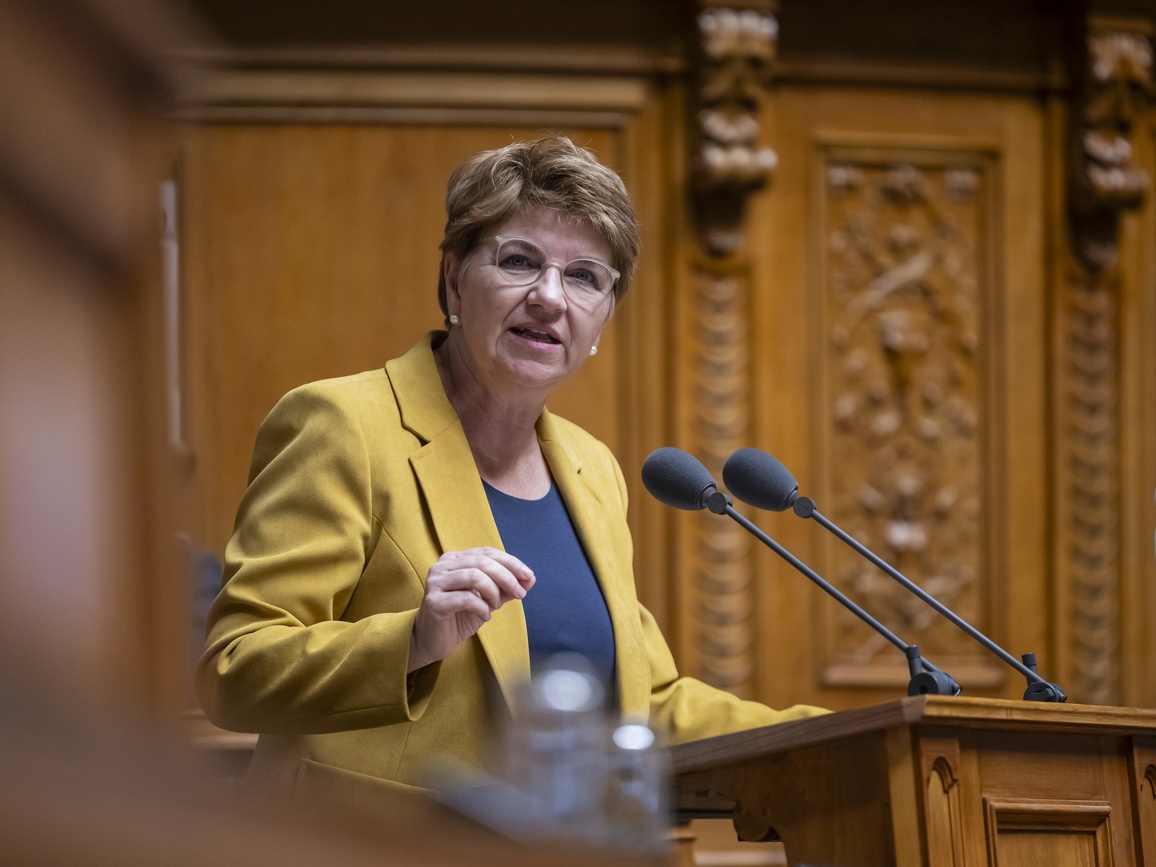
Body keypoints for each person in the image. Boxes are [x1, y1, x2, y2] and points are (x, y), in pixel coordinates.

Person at [196, 134, 826, 808]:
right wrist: (413, 640)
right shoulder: (345, 426)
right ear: (454, 280)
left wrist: (830, 736)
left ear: (602, 319)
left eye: (584, 276)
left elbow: (648, 705)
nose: (550, 297)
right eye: (520, 261)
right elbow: (236, 667)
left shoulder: (591, 468)